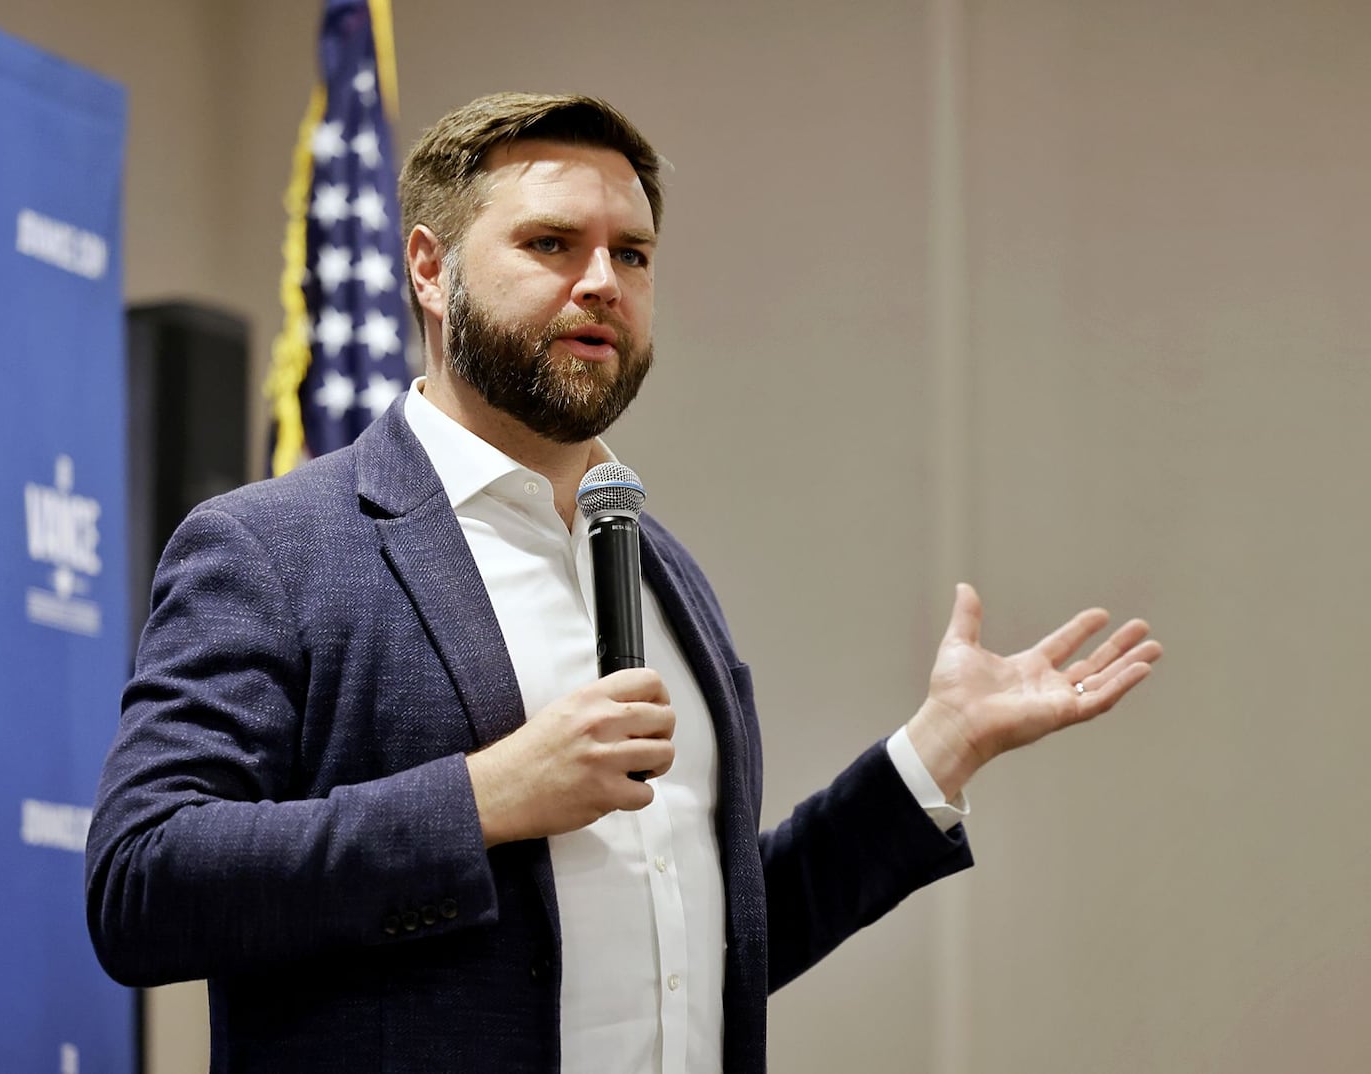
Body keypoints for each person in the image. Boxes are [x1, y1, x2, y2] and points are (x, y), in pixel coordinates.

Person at [85, 93, 1161, 1074]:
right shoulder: (272, 548)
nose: (602, 281)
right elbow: (143, 884)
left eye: (632, 254)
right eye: (551, 243)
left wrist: (935, 753)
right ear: (428, 269)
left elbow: (711, 938)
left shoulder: (659, 569)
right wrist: (482, 800)